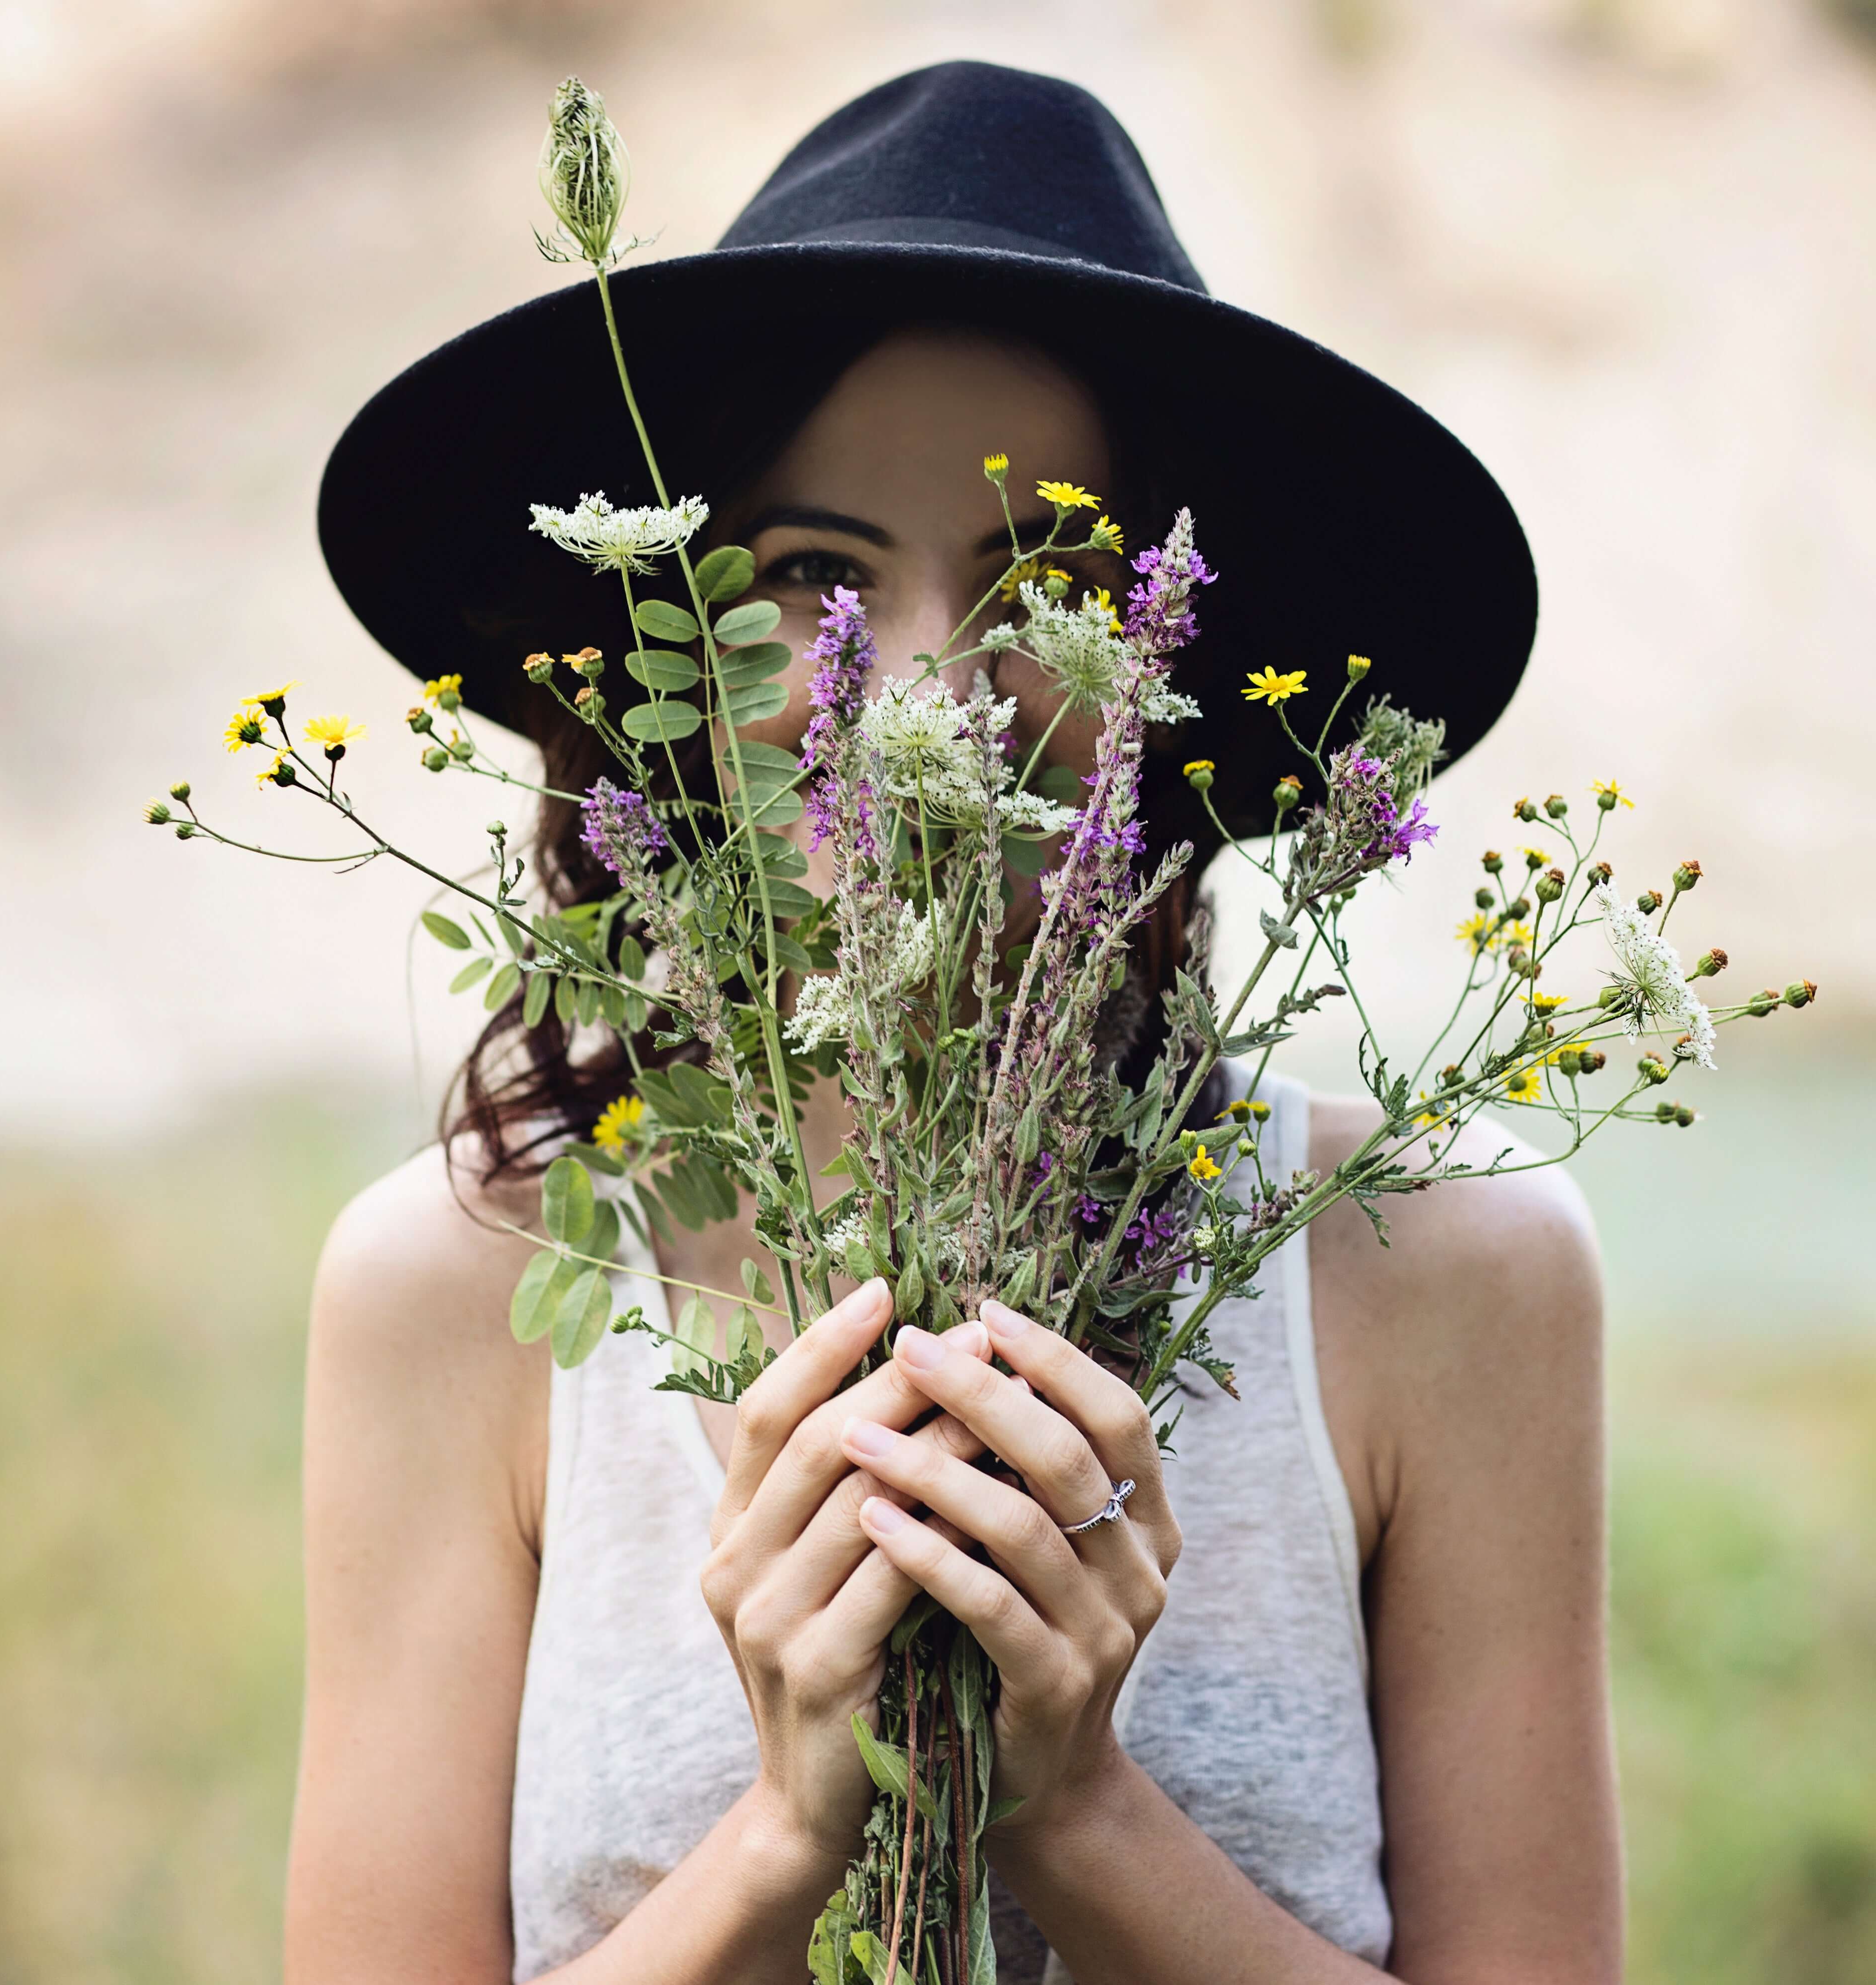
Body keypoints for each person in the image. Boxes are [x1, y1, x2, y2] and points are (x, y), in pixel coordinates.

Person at [289, 61, 1618, 1985]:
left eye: (1047, 587)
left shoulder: (1452, 1267)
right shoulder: (459, 1284)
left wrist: (1079, 1816)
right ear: (671, 647)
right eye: (815, 579)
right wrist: (781, 1838)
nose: (920, 693)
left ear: (1167, 687)